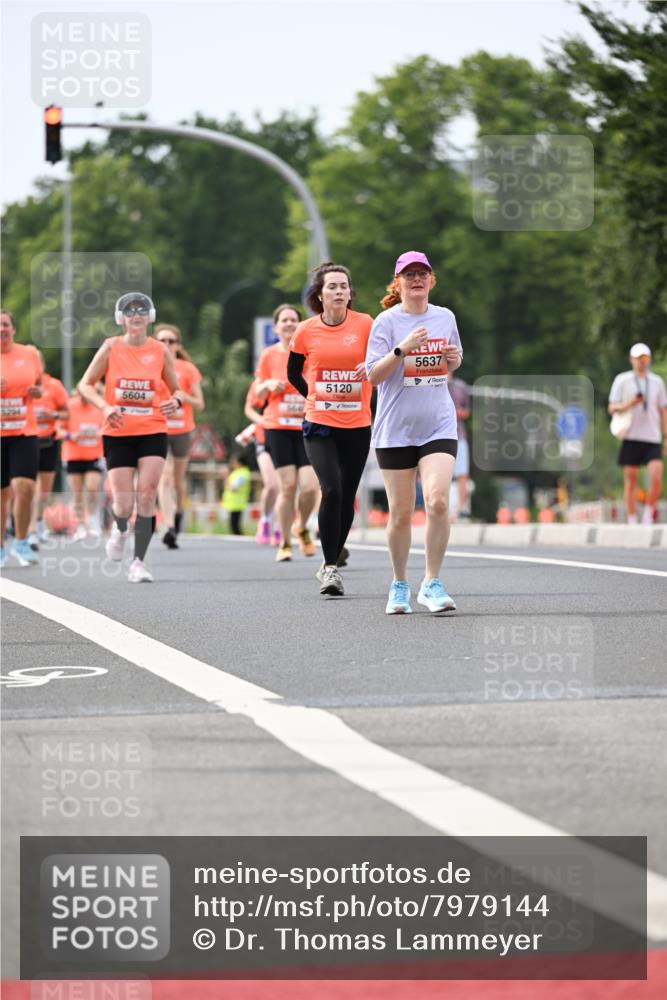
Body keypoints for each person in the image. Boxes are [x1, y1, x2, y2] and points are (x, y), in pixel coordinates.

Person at [365, 250, 462, 615]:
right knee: (401, 514)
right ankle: (399, 584)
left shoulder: (445, 317)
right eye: (409, 275)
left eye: (423, 274)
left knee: (437, 501)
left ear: (431, 280)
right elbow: (373, 375)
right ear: (398, 283)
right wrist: (402, 350)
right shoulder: (386, 322)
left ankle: (432, 583)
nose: (417, 279)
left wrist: (452, 358)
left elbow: (453, 361)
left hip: (438, 422)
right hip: (395, 428)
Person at [78, 292, 184, 582]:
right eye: (129, 311)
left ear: (149, 317)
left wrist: (176, 402)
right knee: (123, 504)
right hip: (118, 431)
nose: (135, 315)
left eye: (141, 311)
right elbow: (85, 385)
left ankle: (139, 562)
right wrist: (106, 405)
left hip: (152, 428)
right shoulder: (111, 347)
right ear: (120, 318)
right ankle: (120, 526)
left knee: (148, 494)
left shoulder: (160, 349)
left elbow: (177, 391)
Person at [288, 263, 373, 596]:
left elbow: (381, 363)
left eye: (344, 286)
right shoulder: (306, 331)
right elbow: (294, 373)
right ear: (319, 295)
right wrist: (313, 396)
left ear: (351, 293)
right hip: (319, 423)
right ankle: (331, 568)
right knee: (332, 489)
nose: (339, 291)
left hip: (357, 423)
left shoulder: (365, 324)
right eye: (332, 286)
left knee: (347, 498)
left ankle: (333, 554)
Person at [255, 304, 319, 562]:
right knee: (287, 486)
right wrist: (269, 384)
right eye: (284, 320)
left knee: (310, 487)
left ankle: (301, 525)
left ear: (300, 325)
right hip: (277, 427)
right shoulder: (268, 355)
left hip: (306, 425)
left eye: (294, 320)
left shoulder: (310, 353)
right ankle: (284, 542)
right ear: (276, 326)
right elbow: (257, 392)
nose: (290, 324)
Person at [154, 324, 204, 549]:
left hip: (183, 428)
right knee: (164, 478)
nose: (166, 345)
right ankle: (169, 526)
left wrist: (182, 397)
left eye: (171, 341)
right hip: (158, 428)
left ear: (178, 345)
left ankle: (178, 513)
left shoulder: (187, 368)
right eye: (162, 341)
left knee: (177, 480)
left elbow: (200, 403)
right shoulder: (150, 367)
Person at [0, 310, 43, 568]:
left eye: (5, 324)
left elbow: (38, 385)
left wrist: (38, 392)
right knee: (1, 493)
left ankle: (22, 541)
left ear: (13, 329)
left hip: (24, 431)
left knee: (24, 487)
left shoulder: (29, 354)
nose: (1, 329)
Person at [608, 342, 666, 524]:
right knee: (631, 479)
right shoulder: (622, 380)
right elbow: (612, 407)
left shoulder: (657, 381)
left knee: (656, 476)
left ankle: (649, 514)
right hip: (631, 435)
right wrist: (630, 404)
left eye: (645, 358)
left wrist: (666, 436)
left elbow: (663, 410)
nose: (642, 362)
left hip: (652, 436)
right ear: (631, 359)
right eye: (638, 358)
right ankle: (632, 518)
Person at [30, 357, 69, 546]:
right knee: (25, 487)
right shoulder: (20, 384)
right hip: (25, 440)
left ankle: (38, 523)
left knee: (43, 490)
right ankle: (27, 529)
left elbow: (67, 413)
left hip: (48, 441)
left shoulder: (54, 386)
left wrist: (52, 415)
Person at [60, 386, 105, 539]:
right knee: (77, 492)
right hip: (73, 455)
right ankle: (80, 526)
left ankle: (92, 521)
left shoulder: (100, 406)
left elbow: (109, 426)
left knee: (92, 488)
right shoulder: (70, 406)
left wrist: (100, 433)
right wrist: (70, 436)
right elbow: (58, 430)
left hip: (94, 454)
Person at [242, 383, 279, 545]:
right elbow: (248, 408)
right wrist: (262, 420)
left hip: (291, 437)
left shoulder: (299, 373)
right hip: (265, 438)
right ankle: (265, 520)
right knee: (271, 485)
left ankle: (279, 527)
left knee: (286, 486)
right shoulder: (264, 381)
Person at [448, 375, 471, 519]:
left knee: (462, 473)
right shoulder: (431, 381)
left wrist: (458, 413)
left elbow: (467, 411)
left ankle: (461, 508)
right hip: (437, 435)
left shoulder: (460, 386)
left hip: (458, 435)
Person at [221, 451, 252, 534]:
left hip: (237, 504)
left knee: (235, 526)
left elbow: (233, 488)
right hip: (234, 504)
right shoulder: (237, 472)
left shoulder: (242, 474)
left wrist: (226, 476)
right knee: (234, 526)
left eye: (234, 461)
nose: (232, 463)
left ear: (239, 462)